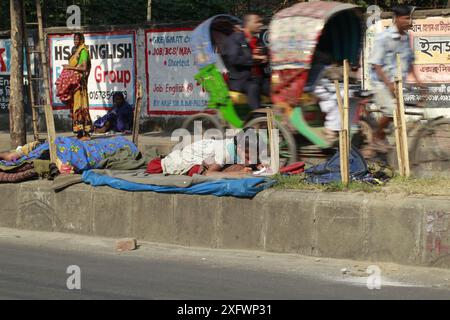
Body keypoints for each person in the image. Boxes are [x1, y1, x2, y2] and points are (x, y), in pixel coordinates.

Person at [369, 4, 422, 151]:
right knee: (391, 111)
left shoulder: (407, 38)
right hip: (381, 83)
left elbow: (410, 63)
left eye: (410, 18)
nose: (409, 21)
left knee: (400, 113)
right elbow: (376, 65)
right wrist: (388, 84)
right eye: (406, 18)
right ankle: (376, 136)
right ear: (397, 19)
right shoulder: (383, 38)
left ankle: (386, 140)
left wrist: (419, 83)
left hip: (397, 83)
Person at [223, 13, 270, 110]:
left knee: (275, 89)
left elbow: (263, 59)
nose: (260, 24)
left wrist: (265, 59)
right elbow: (234, 59)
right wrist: (254, 58)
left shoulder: (257, 40)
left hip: (259, 79)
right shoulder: (234, 39)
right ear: (248, 23)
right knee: (254, 87)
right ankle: (257, 118)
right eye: (257, 22)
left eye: (261, 22)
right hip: (242, 80)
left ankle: (280, 117)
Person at [61, 33, 93, 141]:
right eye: (74, 39)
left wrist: (68, 67)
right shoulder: (76, 51)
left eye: (77, 39)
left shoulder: (83, 51)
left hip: (80, 85)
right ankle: (80, 133)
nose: (75, 41)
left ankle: (85, 132)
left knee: (81, 107)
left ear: (81, 40)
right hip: (75, 84)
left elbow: (84, 67)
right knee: (76, 107)